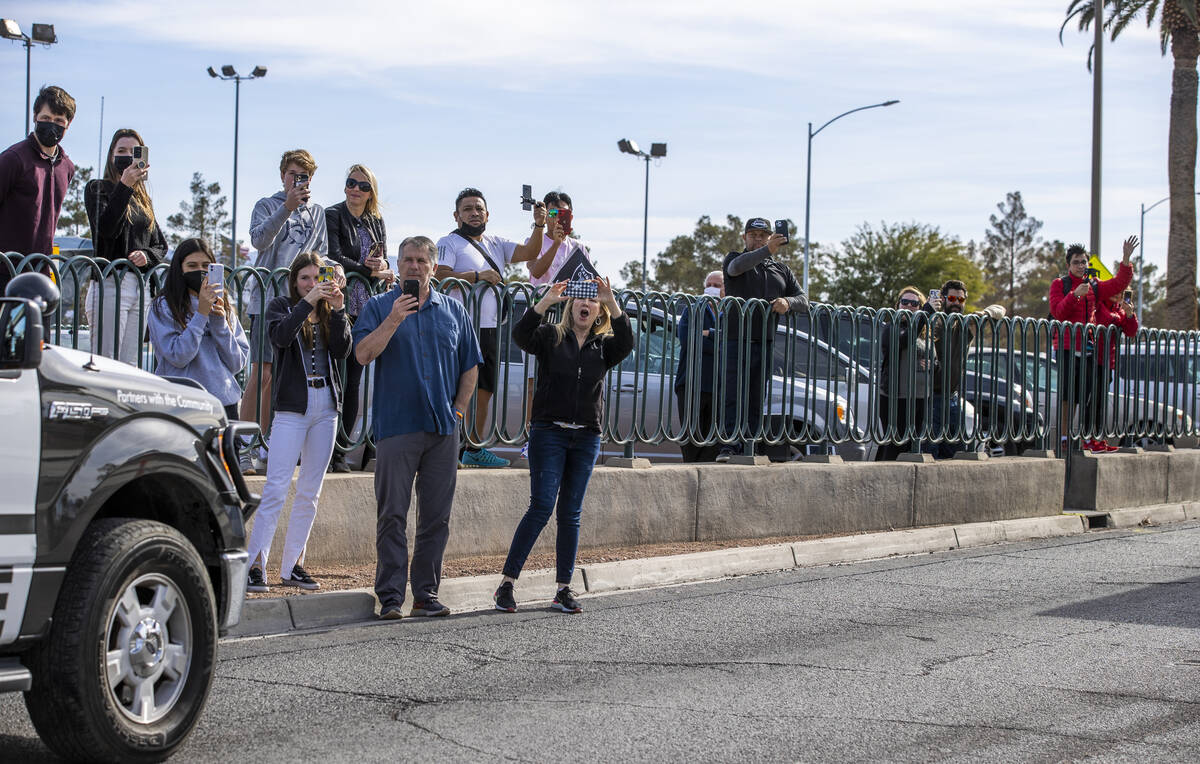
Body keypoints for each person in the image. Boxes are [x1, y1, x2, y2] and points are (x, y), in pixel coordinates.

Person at [353, 236, 482, 620]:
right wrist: (394, 318)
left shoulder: (454, 311)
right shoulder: (379, 307)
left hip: (443, 428)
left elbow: (471, 365)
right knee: (392, 513)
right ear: (399, 262)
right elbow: (362, 354)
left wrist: (459, 411)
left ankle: (426, 594)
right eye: (407, 260)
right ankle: (391, 597)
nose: (413, 266)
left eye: (421, 260)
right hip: (397, 427)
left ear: (432, 265)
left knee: (436, 516)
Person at [493, 277, 634, 614]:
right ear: (572, 307)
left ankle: (563, 589)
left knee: (570, 513)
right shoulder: (550, 337)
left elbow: (627, 340)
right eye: (581, 302)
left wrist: (611, 299)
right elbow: (520, 335)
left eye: (593, 303)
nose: (586, 306)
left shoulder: (605, 346)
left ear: (598, 311)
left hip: (586, 436)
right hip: (549, 432)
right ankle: (507, 584)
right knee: (541, 506)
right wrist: (545, 302)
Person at [244, 252, 350, 593]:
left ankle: (292, 566)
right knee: (275, 487)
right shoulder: (280, 306)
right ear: (295, 281)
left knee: (310, 492)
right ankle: (255, 565)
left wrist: (340, 309)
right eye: (305, 277)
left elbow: (343, 350)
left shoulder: (330, 310)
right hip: (292, 408)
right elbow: (280, 338)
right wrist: (307, 302)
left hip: (326, 406)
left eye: (318, 276)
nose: (312, 283)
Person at [435, 188, 545, 468]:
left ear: (487, 214)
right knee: (454, 389)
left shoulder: (497, 243)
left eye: (478, 208)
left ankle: (473, 447)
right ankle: (446, 448)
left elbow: (531, 251)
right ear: (457, 215)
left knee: (484, 390)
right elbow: (440, 275)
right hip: (457, 325)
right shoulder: (449, 242)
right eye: (468, 208)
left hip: (489, 329)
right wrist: (476, 276)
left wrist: (540, 224)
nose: (474, 213)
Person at [240, 149, 329, 472]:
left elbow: (321, 255)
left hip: (301, 306)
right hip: (267, 301)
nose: (298, 181)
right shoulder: (266, 204)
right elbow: (259, 241)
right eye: (293, 175)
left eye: (304, 177)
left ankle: (265, 444)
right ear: (283, 176)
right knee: (262, 374)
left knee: (285, 377)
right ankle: (242, 443)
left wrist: (335, 274)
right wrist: (286, 207)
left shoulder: (317, 212)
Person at [716, 217, 808, 462]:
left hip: (764, 340)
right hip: (737, 339)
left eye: (762, 235)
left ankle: (750, 445)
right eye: (753, 235)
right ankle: (728, 445)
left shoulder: (781, 270)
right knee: (734, 394)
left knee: (757, 396)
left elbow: (804, 300)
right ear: (744, 237)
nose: (757, 239)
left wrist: (788, 302)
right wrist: (767, 250)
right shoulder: (734, 259)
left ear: (770, 236)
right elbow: (736, 269)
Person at [324, 163, 391, 472]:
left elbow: (383, 258)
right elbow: (334, 256)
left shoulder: (376, 221)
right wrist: (368, 270)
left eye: (363, 186)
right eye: (351, 182)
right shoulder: (333, 215)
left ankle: (340, 452)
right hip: (339, 306)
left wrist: (384, 267)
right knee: (333, 382)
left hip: (367, 309)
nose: (355, 189)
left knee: (353, 383)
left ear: (371, 192)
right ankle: (321, 450)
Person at [523, 190, 598, 459]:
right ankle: (530, 439)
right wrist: (554, 242)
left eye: (563, 213)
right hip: (542, 316)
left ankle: (560, 436)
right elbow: (535, 271)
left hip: (568, 320)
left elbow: (589, 281)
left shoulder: (580, 247)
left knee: (565, 376)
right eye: (553, 213)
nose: (558, 219)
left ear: (571, 215)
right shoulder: (535, 241)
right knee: (535, 379)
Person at [84, 128, 167, 366]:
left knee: (129, 364)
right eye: (121, 151)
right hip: (110, 282)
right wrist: (125, 186)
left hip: (139, 287)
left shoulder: (144, 201)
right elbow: (107, 230)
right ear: (111, 156)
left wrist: (147, 255)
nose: (127, 156)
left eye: (134, 152)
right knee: (106, 361)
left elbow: (160, 244)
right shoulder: (97, 188)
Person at [1048, 237, 1137, 453]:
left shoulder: (1094, 287)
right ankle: (1064, 438)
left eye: (1084, 262)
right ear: (1069, 265)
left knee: (1089, 394)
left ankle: (1089, 439)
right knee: (1069, 396)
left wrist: (1125, 259)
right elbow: (1058, 313)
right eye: (1076, 262)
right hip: (1067, 347)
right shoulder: (1061, 284)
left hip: (1088, 350)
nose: (1081, 266)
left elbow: (1118, 284)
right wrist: (1074, 296)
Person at [147, 238, 249, 420]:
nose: (200, 271)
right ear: (180, 269)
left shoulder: (223, 304)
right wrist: (201, 314)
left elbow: (237, 363)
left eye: (206, 265)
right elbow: (178, 356)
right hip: (180, 402)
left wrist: (220, 323)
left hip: (223, 403)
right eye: (192, 266)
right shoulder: (164, 306)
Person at [0, 85, 76, 290]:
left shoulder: (66, 167)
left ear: (69, 124)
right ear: (35, 116)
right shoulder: (13, 159)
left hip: (41, 273)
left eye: (59, 120)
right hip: (6, 270)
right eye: (46, 118)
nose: (52, 125)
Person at [921, 281, 1005, 458]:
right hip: (930, 398)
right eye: (952, 298)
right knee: (930, 453)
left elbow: (1000, 310)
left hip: (953, 398)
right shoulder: (933, 320)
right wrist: (928, 309)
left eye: (961, 299)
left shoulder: (967, 324)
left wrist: (985, 313)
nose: (956, 302)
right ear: (943, 299)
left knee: (957, 454)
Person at [875, 287, 934, 461]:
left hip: (920, 397)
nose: (909, 306)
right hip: (895, 397)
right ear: (898, 305)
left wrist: (933, 364)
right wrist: (925, 314)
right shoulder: (891, 328)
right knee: (894, 445)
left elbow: (936, 361)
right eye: (904, 302)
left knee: (912, 447)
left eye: (914, 303)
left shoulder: (925, 334)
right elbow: (904, 340)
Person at [674, 270, 724, 462]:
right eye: (709, 284)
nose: (712, 289)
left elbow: (730, 344)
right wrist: (718, 337)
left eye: (717, 286)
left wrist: (708, 333)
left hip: (718, 385)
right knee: (692, 435)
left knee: (714, 438)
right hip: (692, 383)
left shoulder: (731, 311)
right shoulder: (692, 310)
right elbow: (689, 341)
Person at [1092, 287, 1140, 450]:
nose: (1117, 294)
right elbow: (1101, 322)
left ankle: (1097, 438)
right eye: (1115, 290)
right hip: (1091, 358)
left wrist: (1129, 314)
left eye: (1121, 292)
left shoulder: (1120, 310)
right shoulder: (1098, 304)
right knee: (1091, 402)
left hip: (1107, 362)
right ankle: (1087, 439)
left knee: (1100, 402)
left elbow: (1131, 332)